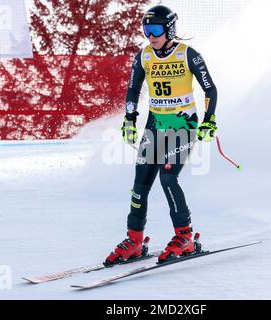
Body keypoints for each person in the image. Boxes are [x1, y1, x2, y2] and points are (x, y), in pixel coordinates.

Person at [105, 5, 218, 265]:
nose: (150, 36)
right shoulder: (144, 56)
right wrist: (130, 120)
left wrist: (209, 119)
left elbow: (210, 89)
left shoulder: (188, 54)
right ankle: (134, 240)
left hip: (183, 125)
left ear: (169, 29)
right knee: (140, 185)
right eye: (146, 30)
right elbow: (133, 91)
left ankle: (185, 236)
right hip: (154, 125)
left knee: (168, 178)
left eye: (155, 29)